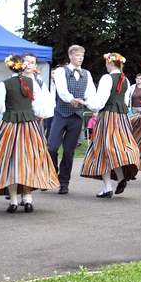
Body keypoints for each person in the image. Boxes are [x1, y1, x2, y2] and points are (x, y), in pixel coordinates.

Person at [0, 54, 58, 213]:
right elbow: (40, 107)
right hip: (29, 126)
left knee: (9, 160)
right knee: (28, 160)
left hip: (9, 126)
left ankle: (14, 201)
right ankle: (28, 199)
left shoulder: (5, 84)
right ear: (23, 66)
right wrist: (34, 112)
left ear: (10, 67)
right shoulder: (32, 83)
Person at [82, 53, 141, 198]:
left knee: (103, 149)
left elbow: (100, 102)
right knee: (115, 148)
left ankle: (107, 187)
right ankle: (120, 178)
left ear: (110, 63)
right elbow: (125, 101)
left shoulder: (107, 78)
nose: (106, 65)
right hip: (122, 118)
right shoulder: (125, 79)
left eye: (106, 63)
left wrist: (87, 103)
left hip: (108, 116)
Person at [47, 45, 96, 195]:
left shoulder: (86, 74)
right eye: (77, 55)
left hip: (76, 116)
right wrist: (71, 99)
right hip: (61, 113)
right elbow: (61, 90)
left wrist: (94, 109)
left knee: (69, 151)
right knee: (51, 147)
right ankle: (51, 172)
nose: (80, 58)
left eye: (82, 55)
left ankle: (64, 182)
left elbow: (91, 93)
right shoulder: (61, 71)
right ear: (70, 56)